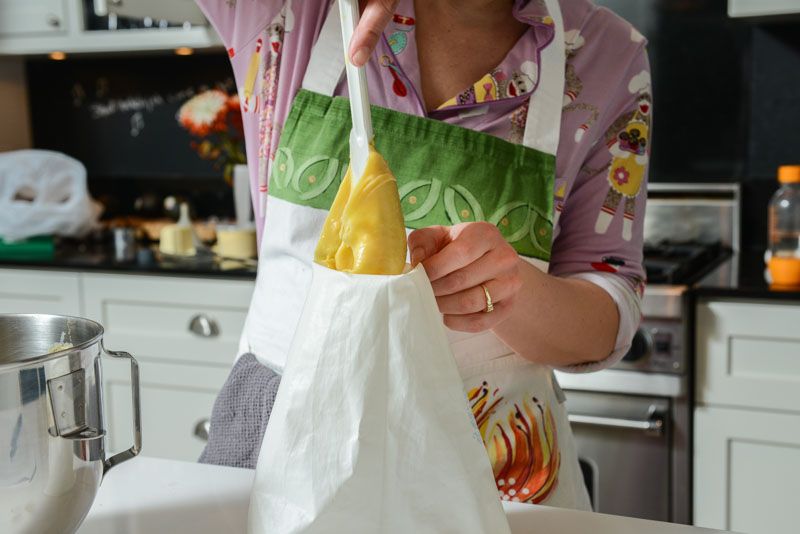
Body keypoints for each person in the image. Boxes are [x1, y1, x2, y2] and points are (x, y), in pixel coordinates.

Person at [196, 0, 651, 510]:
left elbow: (608, 307)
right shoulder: (291, 10)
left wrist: (515, 292)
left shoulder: (607, 53)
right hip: (282, 460)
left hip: (495, 480)